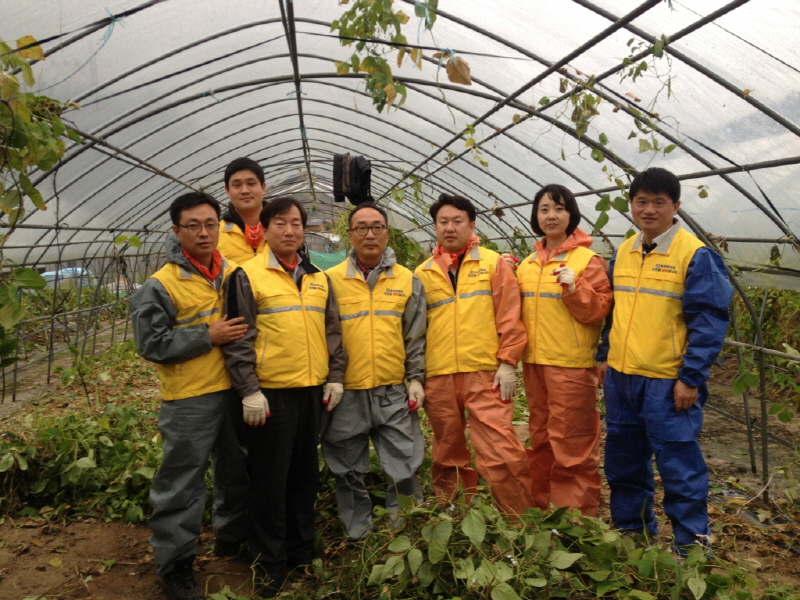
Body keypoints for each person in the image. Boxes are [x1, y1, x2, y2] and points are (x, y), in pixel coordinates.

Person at [597, 167, 733, 552]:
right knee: (623, 461)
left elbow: (709, 320)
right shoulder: (624, 251)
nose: (650, 209)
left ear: (676, 206)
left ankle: (690, 547)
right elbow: (613, 311)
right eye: (642, 201)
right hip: (622, 377)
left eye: (659, 202)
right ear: (632, 205)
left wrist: (690, 377)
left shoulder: (694, 255)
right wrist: (605, 355)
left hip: (666, 379)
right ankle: (632, 531)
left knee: (678, 467)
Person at [223, 196, 347, 597]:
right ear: (265, 227)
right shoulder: (247, 275)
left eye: (296, 223)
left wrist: (335, 376)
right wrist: (249, 390)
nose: (290, 230)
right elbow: (239, 337)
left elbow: (332, 332)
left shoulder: (316, 277)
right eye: (280, 223)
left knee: (303, 477)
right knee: (269, 481)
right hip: (271, 393)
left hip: (311, 390)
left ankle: (300, 551)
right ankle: (269, 561)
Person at [130, 192, 250, 600]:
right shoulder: (161, 284)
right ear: (176, 231)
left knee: (236, 471)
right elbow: (151, 344)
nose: (203, 232)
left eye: (210, 224)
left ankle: (230, 541)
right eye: (193, 225)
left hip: (233, 392)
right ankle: (176, 565)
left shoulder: (234, 272)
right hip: (189, 398)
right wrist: (207, 335)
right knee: (182, 483)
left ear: (220, 226)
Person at [414, 193, 534, 517]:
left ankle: (517, 521)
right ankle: (456, 519)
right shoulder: (422, 274)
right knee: (446, 452)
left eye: (457, 221)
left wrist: (508, 362)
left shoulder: (493, 264)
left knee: (500, 450)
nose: (449, 228)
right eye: (443, 222)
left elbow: (509, 315)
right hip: (439, 375)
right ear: (435, 226)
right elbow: (415, 329)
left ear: (471, 224)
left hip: (485, 373)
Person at [322, 202, 426, 541]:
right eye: (362, 228)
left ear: (387, 232)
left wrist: (415, 378)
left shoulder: (408, 280)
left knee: (405, 463)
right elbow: (322, 334)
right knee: (347, 468)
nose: (370, 234)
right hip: (346, 393)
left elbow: (415, 334)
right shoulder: (330, 280)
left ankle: (405, 533)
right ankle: (358, 533)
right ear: (350, 234)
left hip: (392, 390)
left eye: (377, 227)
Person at [517, 184, 612, 516]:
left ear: (571, 214)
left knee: (572, 443)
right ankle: (544, 505)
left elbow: (597, 310)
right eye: (544, 209)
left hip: (571, 365)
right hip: (535, 364)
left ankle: (575, 518)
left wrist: (576, 287)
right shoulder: (527, 264)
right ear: (536, 216)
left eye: (559, 208)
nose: (551, 215)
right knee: (541, 438)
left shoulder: (587, 260)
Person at [218, 157, 268, 264]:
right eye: (237, 185)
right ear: (227, 191)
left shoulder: (283, 229)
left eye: (251, 184)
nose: (245, 191)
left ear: (263, 187)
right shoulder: (216, 234)